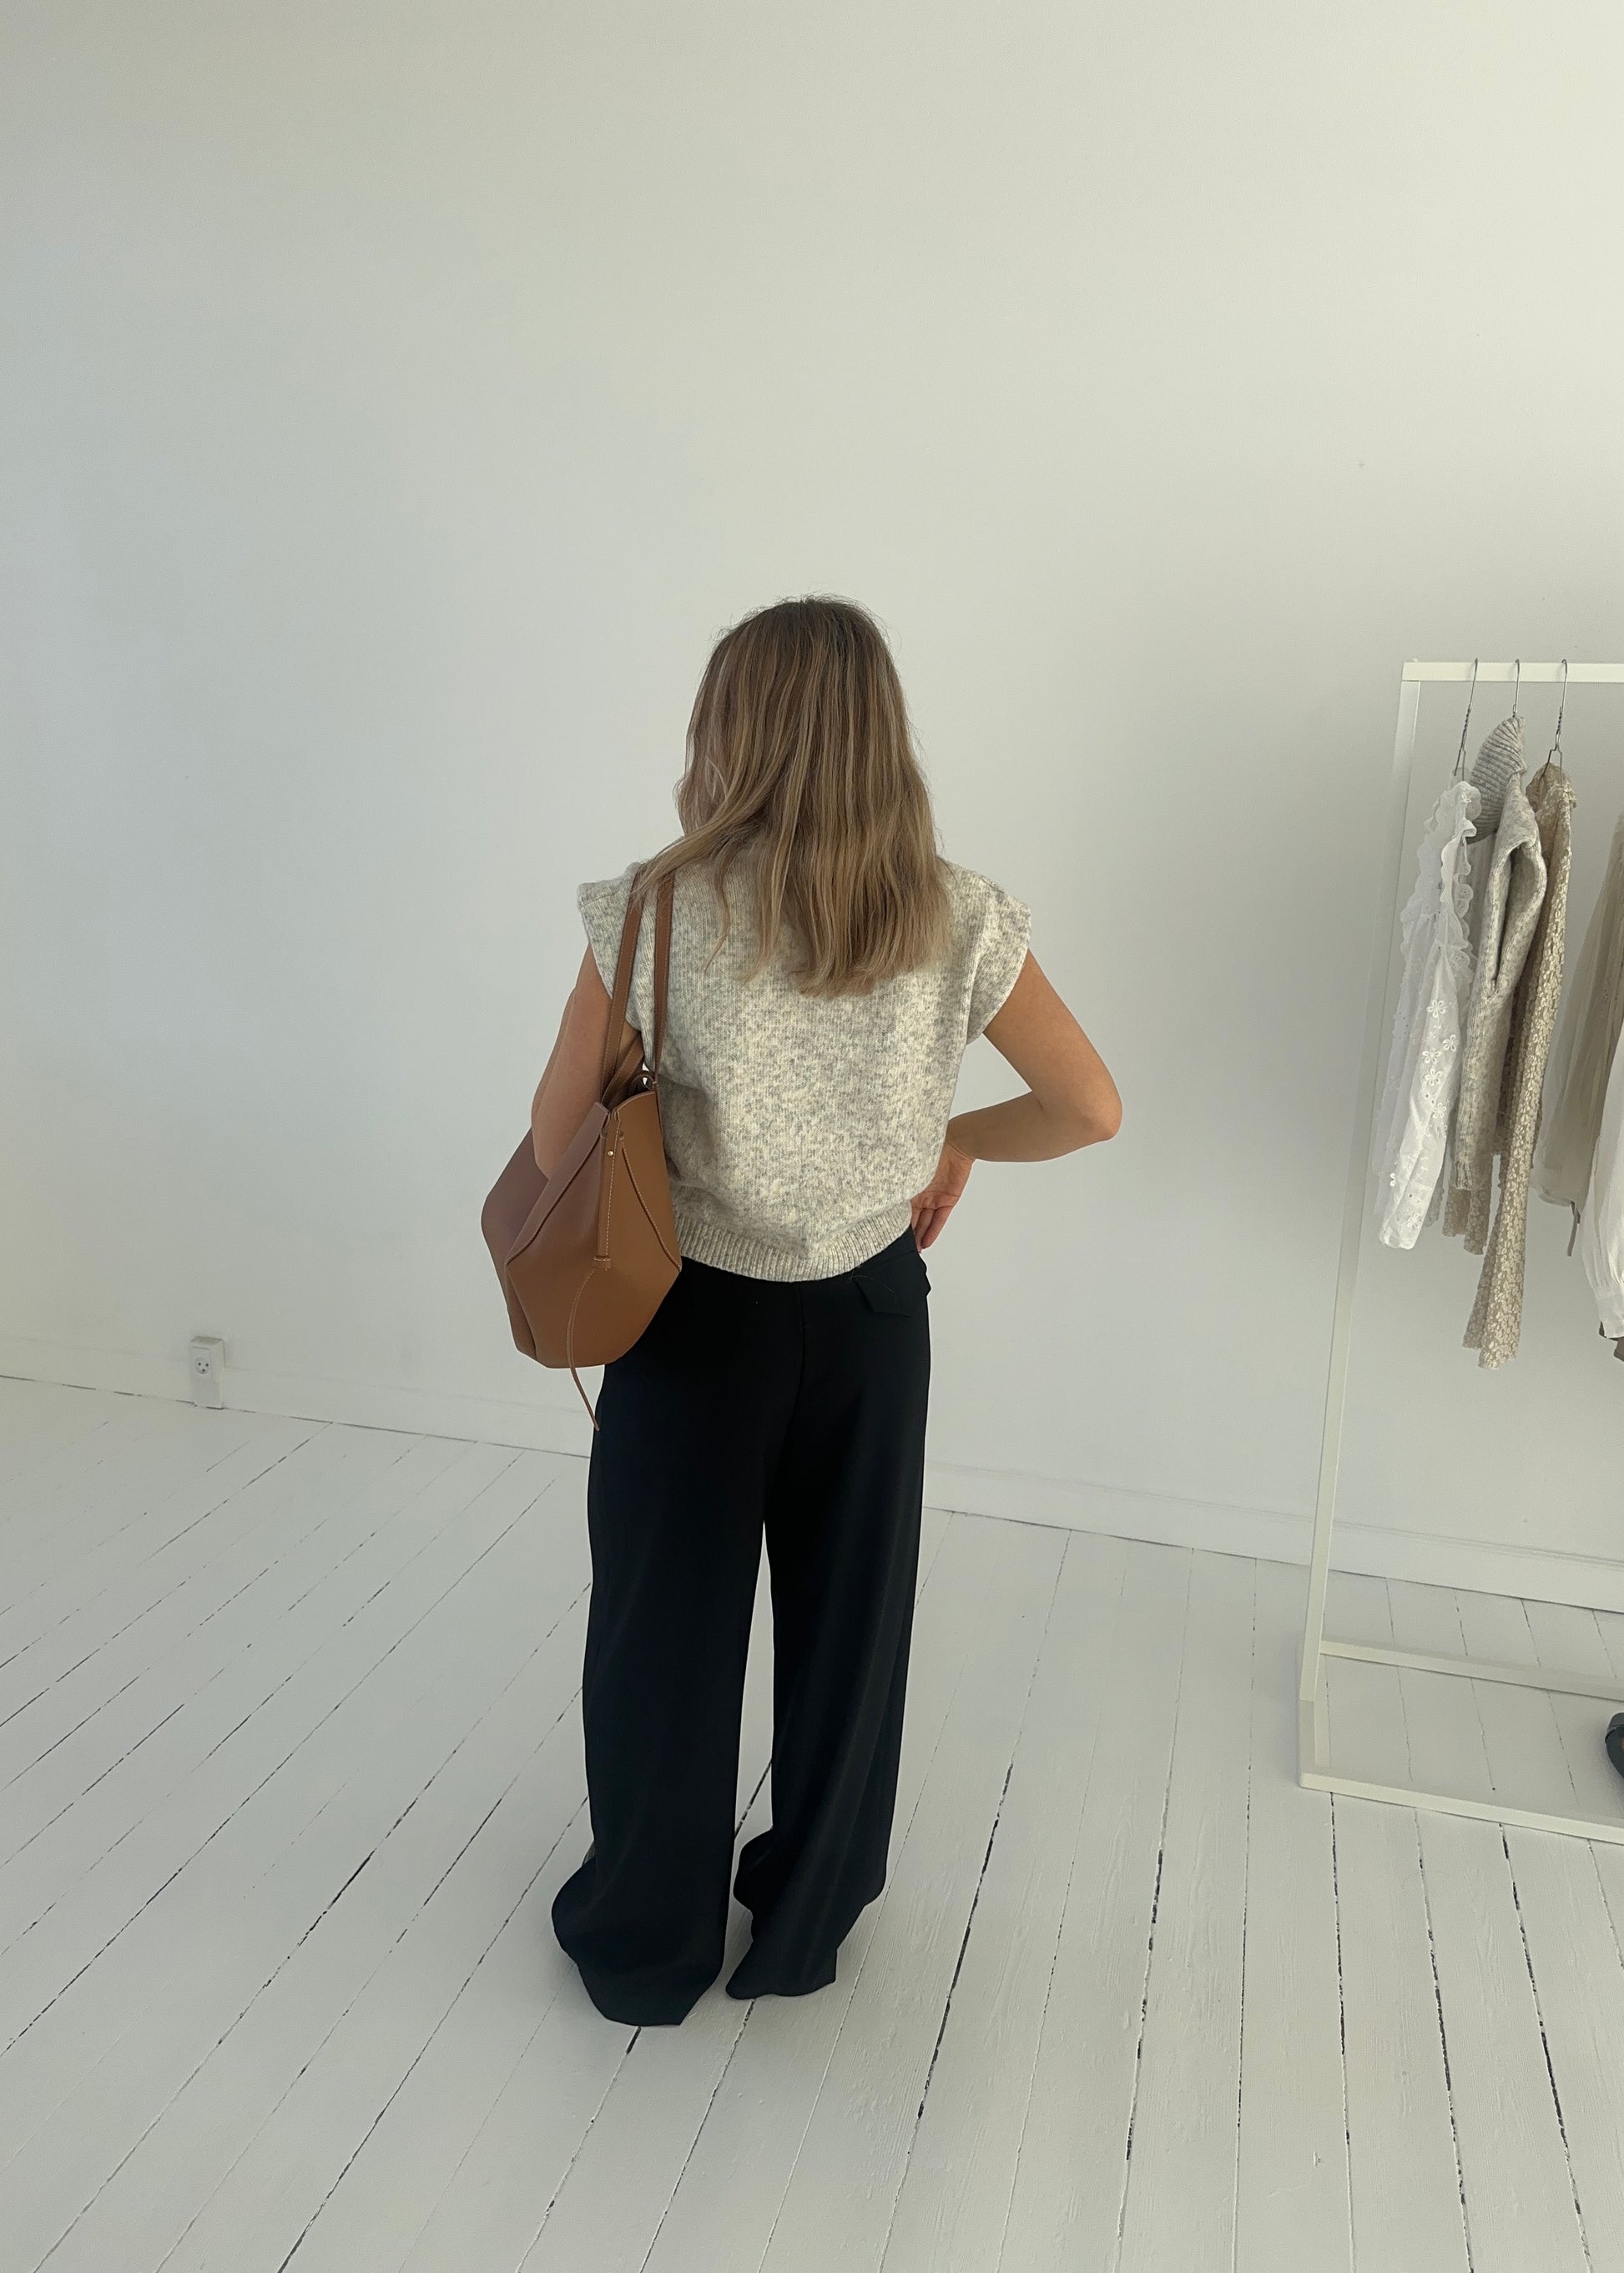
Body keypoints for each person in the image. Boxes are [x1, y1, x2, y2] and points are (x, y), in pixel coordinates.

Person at [528, 595, 1121, 2026]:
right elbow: (1088, 1108)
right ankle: (803, 1925)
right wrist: (949, 1140)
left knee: (661, 1641)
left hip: (690, 1324)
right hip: (868, 1320)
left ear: (727, 728)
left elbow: (556, 1148)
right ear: (878, 734)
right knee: (851, 1633)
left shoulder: (655, 912)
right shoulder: (957, 912)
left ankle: (644, 1948)